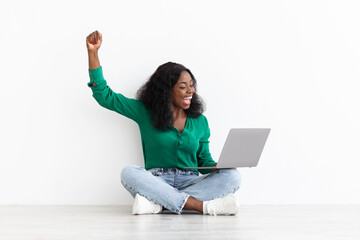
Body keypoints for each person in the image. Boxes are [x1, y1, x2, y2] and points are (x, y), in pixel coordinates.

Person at [86, 30, 242, 215]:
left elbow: (204, 160)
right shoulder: (144, 111)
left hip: (191, 180)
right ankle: (200, 206)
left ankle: (158, 204)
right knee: (129, 173)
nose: (190, 91)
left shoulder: (200, 121)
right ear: (166, 91)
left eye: (191, 85)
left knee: (233, 177)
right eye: (183, 87)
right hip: (156, 179)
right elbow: (105, 96)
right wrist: (93, 53)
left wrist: (218, 166)